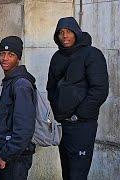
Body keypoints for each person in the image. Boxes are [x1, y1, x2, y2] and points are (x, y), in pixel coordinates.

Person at [47, 17, 109, 180]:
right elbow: (51, 88)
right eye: (61, 32)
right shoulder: (56, 57)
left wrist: (79, 115)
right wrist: (58, 111)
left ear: (76, 33)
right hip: (63, 125)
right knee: (66, 172)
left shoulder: (92, 54)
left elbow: (100, 90)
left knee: (77, 174)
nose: (64, 36)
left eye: (68, 32)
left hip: (82, 125)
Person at [0, 36, 37, 180]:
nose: (5, 58)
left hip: (16, 156)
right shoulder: (11, 80)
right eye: (2, 53)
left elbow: (24, 129)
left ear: (18, 58)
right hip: (12, 153)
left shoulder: (21, 84)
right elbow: (14, 116)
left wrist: (4, 155)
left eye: (11, 54)